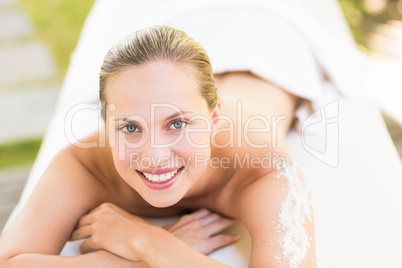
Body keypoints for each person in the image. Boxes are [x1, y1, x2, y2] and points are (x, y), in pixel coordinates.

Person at [0, 25, 316, 267]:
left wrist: (147, 241)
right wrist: (127, 260)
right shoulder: (86, 164)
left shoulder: (265, 168)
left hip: (263, 41)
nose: (154, 157)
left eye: (177, 124)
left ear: (214, 118)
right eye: (130, 127)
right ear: (107, 128)